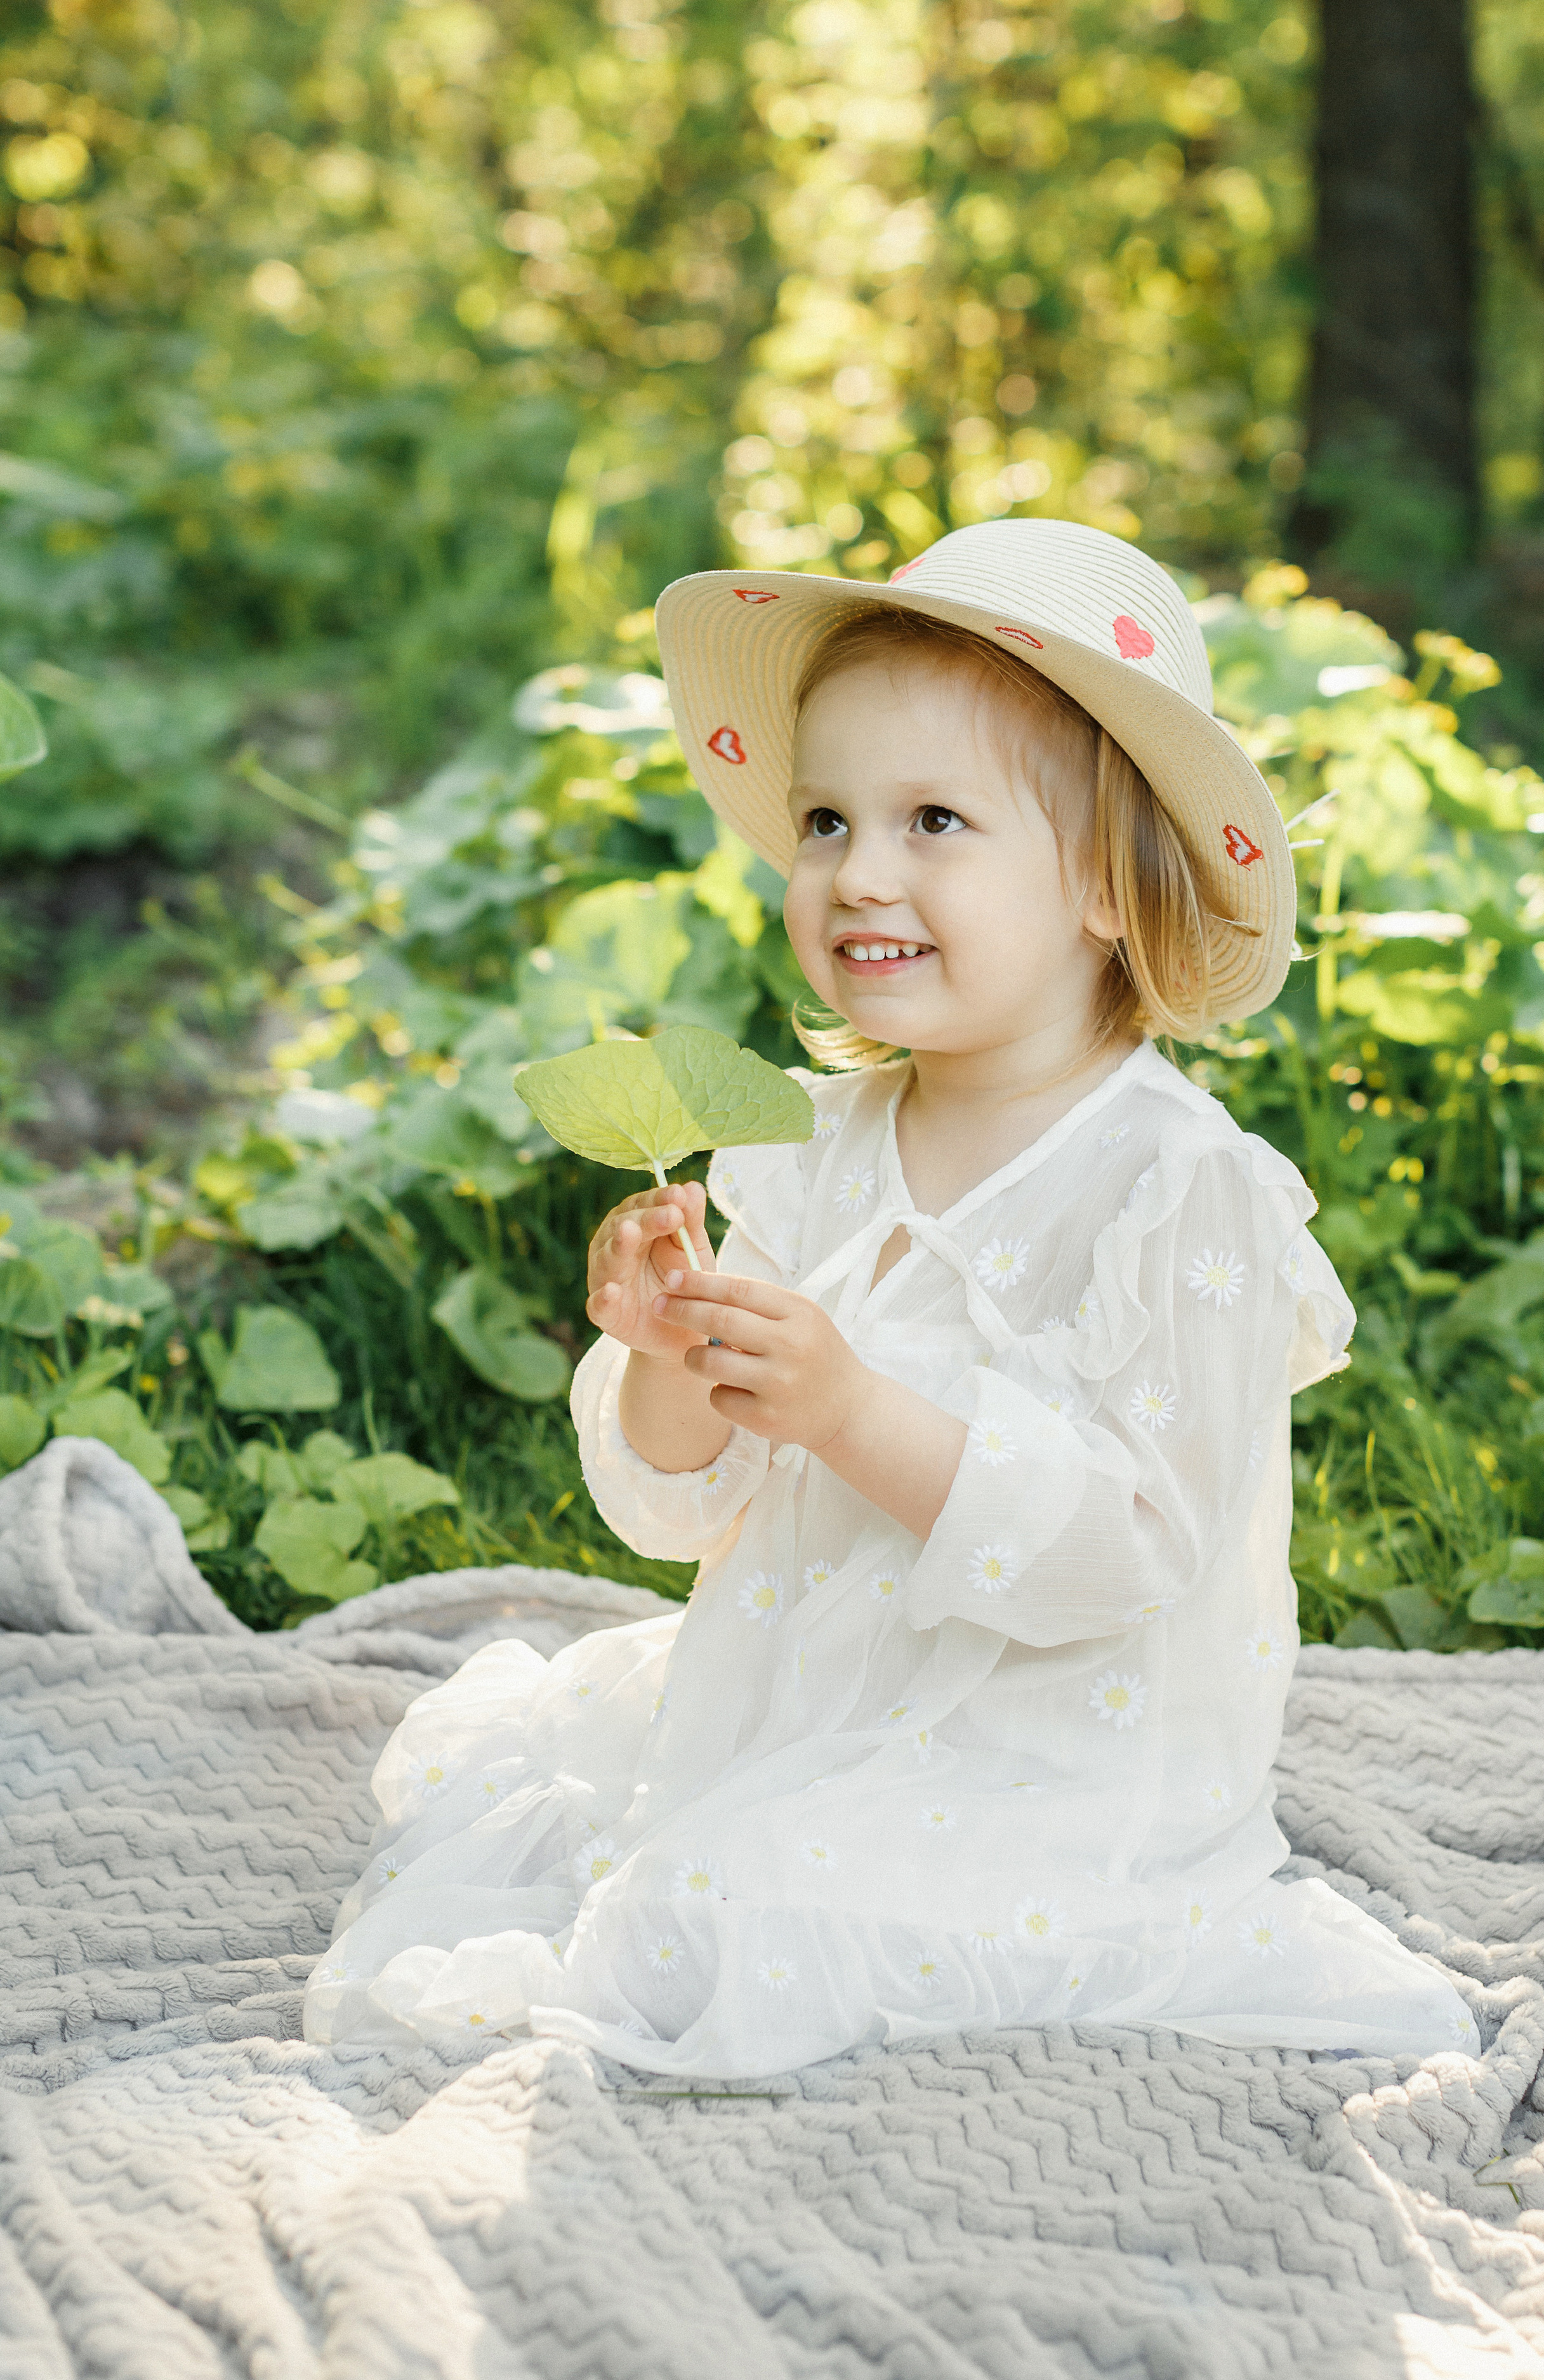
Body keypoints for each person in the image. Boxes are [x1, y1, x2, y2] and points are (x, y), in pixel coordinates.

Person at [305, 519, 1478, 2072]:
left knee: (723, 1912)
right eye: (824, 820)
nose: (860, 871)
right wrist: (667, 1358)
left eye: (933, 819)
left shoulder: (1177, 1192)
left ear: (1110, 890)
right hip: (795, 1699)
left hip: (1056, 1762)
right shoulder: (809, 1152)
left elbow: (1128, 1549)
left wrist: (853, 1410)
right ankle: (765, 1813)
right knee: (582, 1806)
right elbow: (685, 1508)